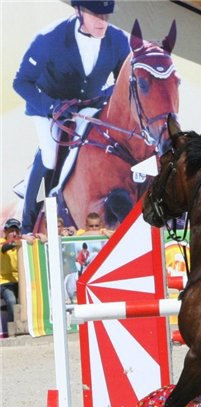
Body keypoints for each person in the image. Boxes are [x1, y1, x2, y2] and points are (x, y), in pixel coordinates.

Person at [12, 0, 130, 235]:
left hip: (89, 107)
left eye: (106, 16)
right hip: (50, 110)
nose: (102, 22)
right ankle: (28, 223)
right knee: (49, 158)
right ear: (79, 11)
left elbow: (124, 79)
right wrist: (52, 107)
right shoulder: (50, 37)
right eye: (96, 15)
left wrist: (108, 93)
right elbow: (21, 82)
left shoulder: (118, 40)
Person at [0, 219, 23, 327]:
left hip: (20, 282)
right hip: (4, 282)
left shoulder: (21, 245)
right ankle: (12, 329)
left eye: (16, 231)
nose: (14, 233)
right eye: (11, 230)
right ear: (5, 232)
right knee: (11, 300)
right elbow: (5, 247)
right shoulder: (1, 242)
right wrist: (21, 240)